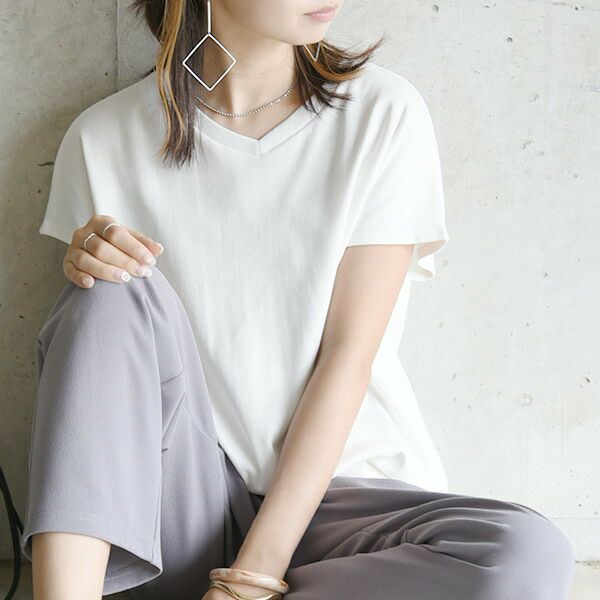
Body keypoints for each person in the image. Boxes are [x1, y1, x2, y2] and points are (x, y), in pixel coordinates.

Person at [20, 1, 575, 599]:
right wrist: (95, 264)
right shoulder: (103, 137)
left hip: (339, 501)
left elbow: (348, 355)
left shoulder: (380, 112)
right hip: (179, 501)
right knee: (104, 294)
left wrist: (251, 578)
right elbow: (102, 380)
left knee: (523, 553)